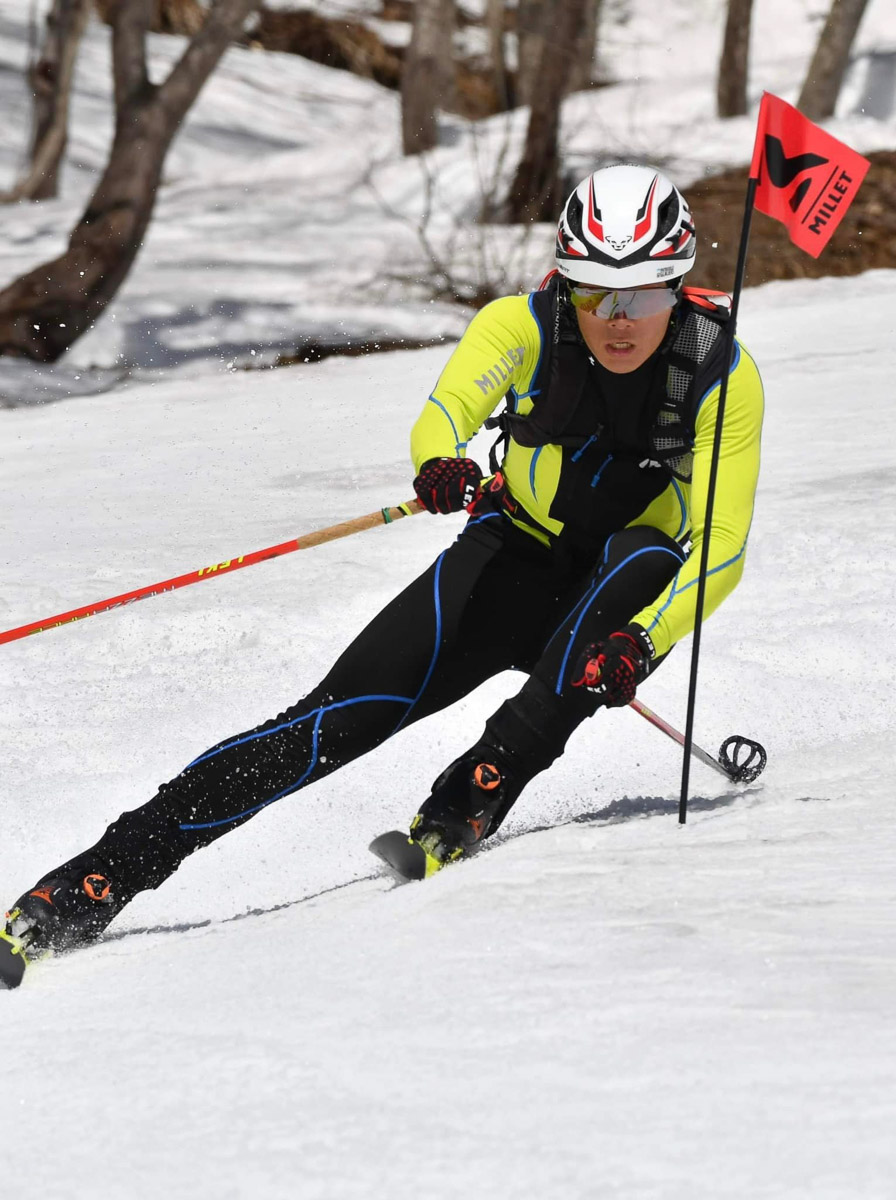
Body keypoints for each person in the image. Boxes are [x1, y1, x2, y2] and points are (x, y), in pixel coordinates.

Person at [5, 163, 764, 954]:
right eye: (591, 292)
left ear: (678, 283)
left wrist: (642, 640)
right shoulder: (523, 325)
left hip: (614, 601)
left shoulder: (720, 374)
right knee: (324, 723)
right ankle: (98, 876)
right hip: (509, 561)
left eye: (640, 295)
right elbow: (445, 414)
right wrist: (442, 465)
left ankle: (479, 787)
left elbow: (721, 545)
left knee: (645, 554)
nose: (616, 319)